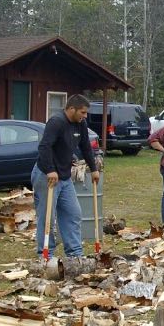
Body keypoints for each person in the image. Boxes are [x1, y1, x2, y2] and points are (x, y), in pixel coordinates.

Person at [32, 94, 100, 258]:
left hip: (64, 176)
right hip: (46, 175)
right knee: (47, 216)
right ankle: (46, 254)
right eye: (82, 112)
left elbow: (85, 146)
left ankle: (75, 254)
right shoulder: (57, 122)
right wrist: (50, 170)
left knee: (73, 213)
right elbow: (44, 147)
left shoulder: (80, 124)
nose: (85, 116)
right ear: (71, 109)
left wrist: (94, 168)